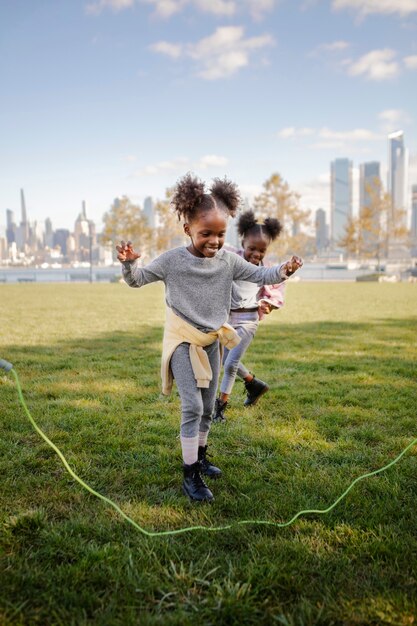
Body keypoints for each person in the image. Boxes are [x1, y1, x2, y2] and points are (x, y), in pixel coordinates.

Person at [116, 173, 303, 503]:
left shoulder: (229, 260)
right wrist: (130, 264)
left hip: (214, 340)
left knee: (207, 407)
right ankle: (190, 475)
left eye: (220, 233)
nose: (214, 241)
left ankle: (200, 457)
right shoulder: (173, 260)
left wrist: (285, 270)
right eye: (206, 233)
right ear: (188, 229)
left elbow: (262, 274)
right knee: (193, 405)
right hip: (183, 342)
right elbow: (138, 279)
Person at [213, 210, 286, 423]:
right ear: (243, 243)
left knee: (230, 364)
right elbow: (215, 248)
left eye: (262, 250)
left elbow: (279, 285)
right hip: (226, 321)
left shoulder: (267, 270)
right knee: (225, 360)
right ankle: (254, 384)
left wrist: (268, 304)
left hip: (248, 322)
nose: (256, 254)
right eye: (252, 248)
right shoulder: (232, 259)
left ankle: (220, 408)